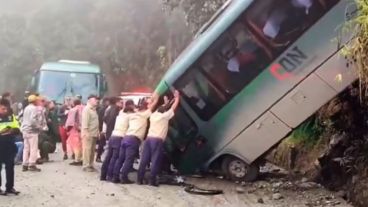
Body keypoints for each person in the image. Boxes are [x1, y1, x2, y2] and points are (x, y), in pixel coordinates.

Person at [112, 94, 159, 184]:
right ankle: (124, 178)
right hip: (133, 139)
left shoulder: (133, 114)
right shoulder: (144, 115)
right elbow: (152, 107)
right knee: (129, 160)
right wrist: (155, 97)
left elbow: (124, 110)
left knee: (120, 159)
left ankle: (115, 177)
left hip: (125, 138)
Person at [137, 91, 180, 186]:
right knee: (155, 160)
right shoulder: (164, 116)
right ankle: (152, 181)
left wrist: (166, 102)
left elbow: (162, 108)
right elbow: (173, 108)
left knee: (144, 160)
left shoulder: (153, 115)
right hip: (157, 140)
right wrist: (177, 98)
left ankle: (139, 179)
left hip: (148, 139)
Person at [100, 99, 135, 181]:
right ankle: (110, 175)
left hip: (113, 136)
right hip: (119, 137)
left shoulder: (120, 114)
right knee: (115, 158)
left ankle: (103, 175)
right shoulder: (129, 116)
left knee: (108, 156)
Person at [0, 98, 20, 196]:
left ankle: (9, 187)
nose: (5, 111)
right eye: (3, 109)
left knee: (10, 167)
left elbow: (17, 128)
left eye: (6, 109)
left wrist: (12, 130)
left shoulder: (11, 117)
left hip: (9, 145)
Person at [21, 95, 44, 172]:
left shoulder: (26, 108)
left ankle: (24, 164)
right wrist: (39, 127)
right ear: (35, 101)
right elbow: (32, 120)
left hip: (25, 130)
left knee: (26, 148)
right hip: (32, 131)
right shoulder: (34, 108)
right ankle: (32, 164)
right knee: (33, 148)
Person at [97, 97, 122, 162]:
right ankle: (105, 162)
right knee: (107, 148)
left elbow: (105, 119)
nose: (121, 104)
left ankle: (104, 161)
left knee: (106, 146)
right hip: (110, 131)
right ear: (116, 102)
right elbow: (108, 120)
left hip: (107, 130)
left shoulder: (109, 109)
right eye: (120, 102)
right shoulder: (113, 109)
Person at [81, 95, 100, 172]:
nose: (96, 101)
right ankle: (86, 165)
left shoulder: (94, 110)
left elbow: (95, 122)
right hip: (88, 133)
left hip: (94, 133)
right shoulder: (87, 109)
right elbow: (85, 122)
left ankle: (91, 164)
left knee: (92, 150)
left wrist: (98, 131)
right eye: (94, 100)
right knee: (87, 150)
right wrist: (86, 132)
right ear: (89, 101)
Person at [65, 99, 84, 166]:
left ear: (74, 103)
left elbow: (70, 121)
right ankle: (82, 159)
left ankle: (77, 159)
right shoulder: (84, 108)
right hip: (83, 130)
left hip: (75, 129)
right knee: (82, 145)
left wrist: (67, 129)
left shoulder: (73, 110)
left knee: (75, 145)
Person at [96, 97, 110, 162]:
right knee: (102, 143)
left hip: (102, 128)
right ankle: (98, 156)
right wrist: (101, 130)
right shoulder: (104, 110)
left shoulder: (102, 109)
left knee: (102, 143)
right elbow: (101, 120)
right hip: (103, 129)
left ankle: (98, 156)